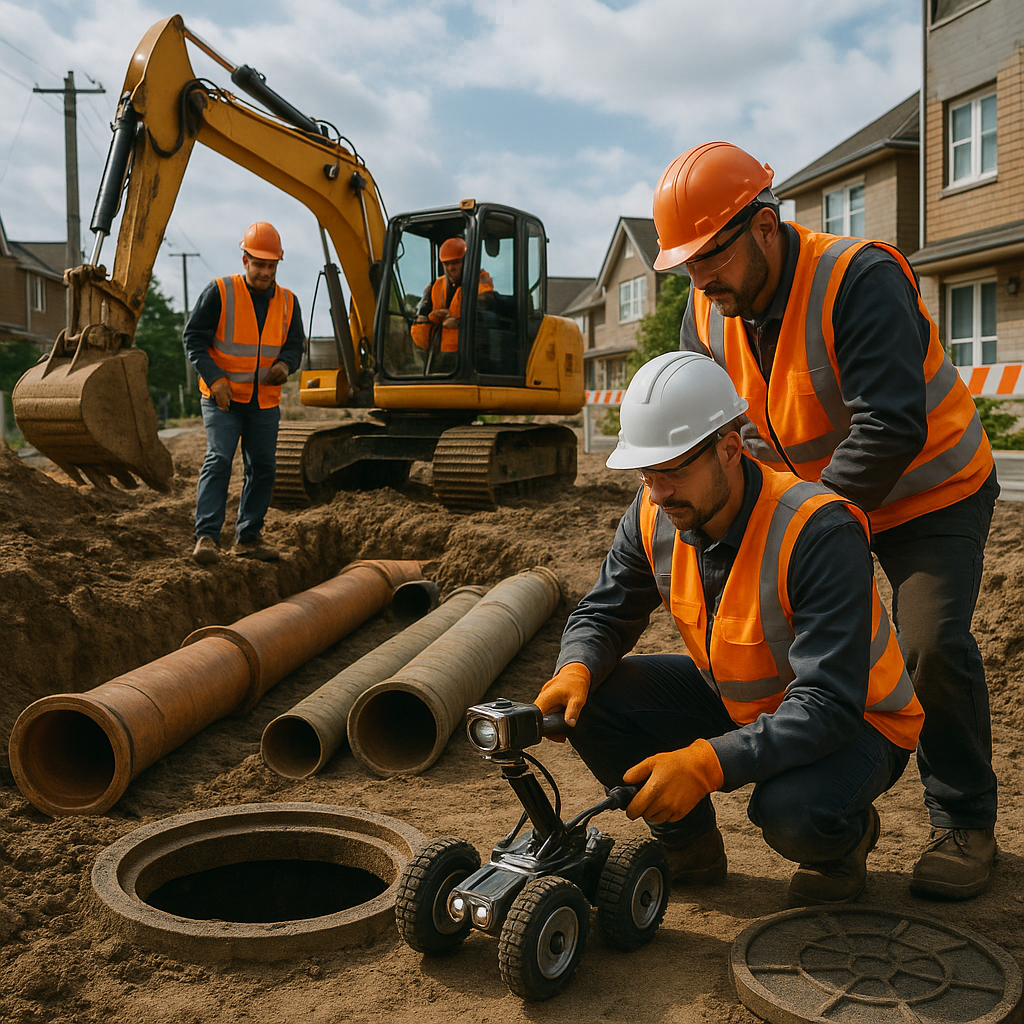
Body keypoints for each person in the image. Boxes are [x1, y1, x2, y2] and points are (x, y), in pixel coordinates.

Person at [651, 141, 999, 900]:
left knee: (928, 643)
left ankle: (964, 818)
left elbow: (892, 424)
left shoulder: (857, 278)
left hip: (929, 491)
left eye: (711, 256)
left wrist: (802, 525)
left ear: (766, 227)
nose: (700, 280)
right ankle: (832, 820)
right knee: (795, 651)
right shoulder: (707, 318)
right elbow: (719, 435)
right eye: (687, 265)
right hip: (820, 508)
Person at [535, 351, 923, 907]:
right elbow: (605, 611)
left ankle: (842, 844)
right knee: (592, 699)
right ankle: (689, 846)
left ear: (729, 449)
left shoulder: (817, 530)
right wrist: (575, 666)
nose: (658, 491)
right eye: (646, 473)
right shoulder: (653, 511)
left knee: (789, 810)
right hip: (742, 696)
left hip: (858, 718)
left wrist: (706, 762)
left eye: (672, 470)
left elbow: (828, 703)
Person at [185, 221, 305, 565]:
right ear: (245, 260)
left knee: (263, 466)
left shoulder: (288, 301)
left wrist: (285, 365)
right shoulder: (219, 291)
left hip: (263, 402)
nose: (266, 272)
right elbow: (193, 340)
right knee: (219, 459)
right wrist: (216, 379)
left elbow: (295, 345)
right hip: (223, 398)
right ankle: (207, 537)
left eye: (272, 265)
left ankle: (248, 538)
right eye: (260, 264)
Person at [411, 236, 493, 371]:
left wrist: (459, 323)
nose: (451, 268)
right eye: (446, 264)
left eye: (455, 263)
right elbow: (421, 324)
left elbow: (486, 310)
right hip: (441, 355)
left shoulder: (479, 281)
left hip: (471, 357)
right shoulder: (435, 287)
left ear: (466, 262)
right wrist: (434, 317)